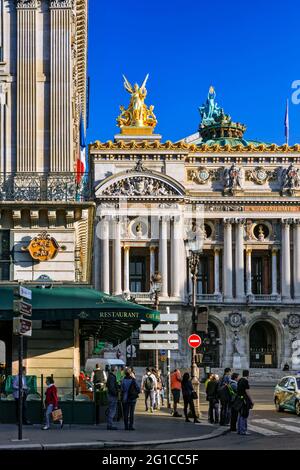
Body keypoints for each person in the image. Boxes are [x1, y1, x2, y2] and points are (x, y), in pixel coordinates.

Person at [237, 370, 254, 436]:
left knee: (240, 415)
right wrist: (251, 400)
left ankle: (239, 430)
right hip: (244, 399)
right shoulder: (245, 381)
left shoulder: (240, 380)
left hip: (239, 399)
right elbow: (247, 391)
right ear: (248, 375)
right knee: (244, 415)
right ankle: (243, 430)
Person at [106, 366, 119, 430]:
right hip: (112, 396)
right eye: (116, 370)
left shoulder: (110, 376)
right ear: (114, 370)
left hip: (110, 395)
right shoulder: (112, 377)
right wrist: (116, 393)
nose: (117, 372)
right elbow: (111, 387)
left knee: (111, 410)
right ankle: (110, 425)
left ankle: (109, 424)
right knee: (112, 410)